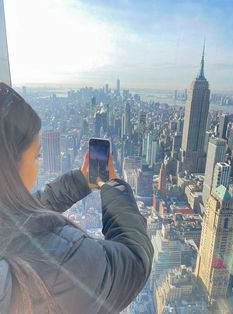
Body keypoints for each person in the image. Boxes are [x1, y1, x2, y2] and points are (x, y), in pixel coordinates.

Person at [0, 82, 154, 314]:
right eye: (36, 155)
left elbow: (17, 221)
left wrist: (79, 182)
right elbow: (134, 263)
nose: (39, 164)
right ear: (10, 168)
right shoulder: (62, 263)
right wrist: (112, 186)